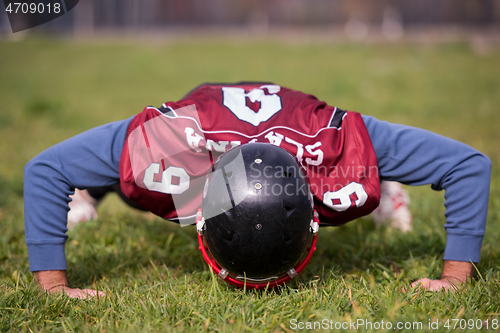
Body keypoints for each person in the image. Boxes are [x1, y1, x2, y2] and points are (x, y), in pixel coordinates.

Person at [24, 82, 491, 298]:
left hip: (301, 132)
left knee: (364, 170)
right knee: (138, 179)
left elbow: (470, 166)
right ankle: (92, 194)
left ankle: (382, 187)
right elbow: (46, 171)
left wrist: (455, 281)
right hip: (202, 136)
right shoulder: (170, 147)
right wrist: (52, 288)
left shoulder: (339, 149)